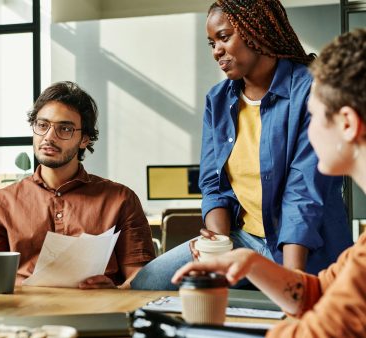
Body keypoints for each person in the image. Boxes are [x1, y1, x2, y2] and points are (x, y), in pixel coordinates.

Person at [132, 0, 352, 291]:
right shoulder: (219, 100)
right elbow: (213, 183)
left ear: (256, 30)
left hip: (307, 247)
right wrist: (220, 248)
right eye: (212, 43)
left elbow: (304, 194)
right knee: (149, 283)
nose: (216, 51)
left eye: (224, 37)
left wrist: (293, 282)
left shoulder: (310, 91)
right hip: (243, 239)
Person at [173, 28, 366, 337]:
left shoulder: (299, 87)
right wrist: (251, 261)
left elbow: (317, 331)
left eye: (313, 116)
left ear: (347, 123)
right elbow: (320, 291)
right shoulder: (361, 253)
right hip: (247, 239)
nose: (307, 128)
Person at [0, 81, 156, 289]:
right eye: (42, 125)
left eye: (65, 129)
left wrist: (115, 292)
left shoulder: (121, 199)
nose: (49, 137)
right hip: (23, 315)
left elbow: (140, 278)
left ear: (84, 139)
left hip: (99, 313)